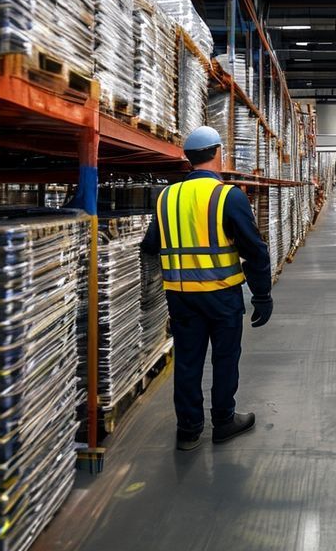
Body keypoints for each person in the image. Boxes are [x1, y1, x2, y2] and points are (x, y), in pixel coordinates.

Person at [141, 126, 273, 451]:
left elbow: (150, 247)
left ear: (189, 158)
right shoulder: (228, 196)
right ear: (218, 153)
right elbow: (254, 249)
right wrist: (262, 294)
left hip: (181, 298)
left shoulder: (166, 197)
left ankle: (188, 430)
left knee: (187, 361)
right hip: (222, 296)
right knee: (225, 358)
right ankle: (224, 421)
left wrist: (152, 293)